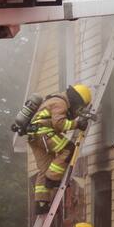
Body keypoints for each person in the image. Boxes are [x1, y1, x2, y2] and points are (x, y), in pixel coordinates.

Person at [25, 83, 92, 215]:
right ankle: (52, 179)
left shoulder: (54, 100)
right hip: (44, 133)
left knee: (45, 168)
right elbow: (59, 123)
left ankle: (41, 202)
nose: (77, 110)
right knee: (69, 149)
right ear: (76, 99)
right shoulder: (60, 102)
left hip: (34, 136)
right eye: (79, 106)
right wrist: (78, 124)